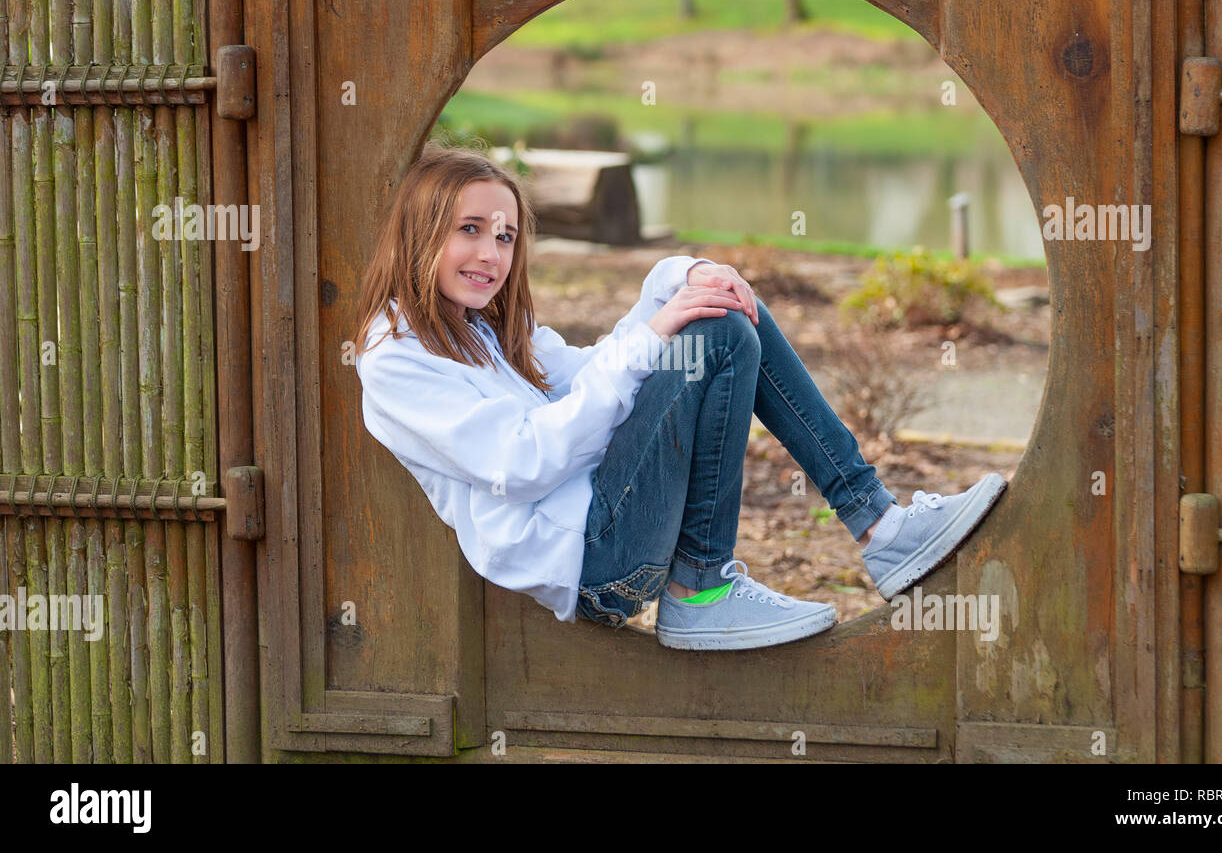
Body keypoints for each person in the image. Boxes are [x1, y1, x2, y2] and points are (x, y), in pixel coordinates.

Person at [351, 146, 1007, 652]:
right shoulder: (396, 359)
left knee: (726, 304)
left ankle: (880, 524)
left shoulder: (482, 327)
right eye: (470, 229)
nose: (490, 254)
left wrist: (681, 276)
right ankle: (702, 584)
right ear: (421, 230)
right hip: (594, 562)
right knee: (717, 333)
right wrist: (659, 331)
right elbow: (523, 463)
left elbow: (588, 373)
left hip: (608, 518)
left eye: (504, 235)